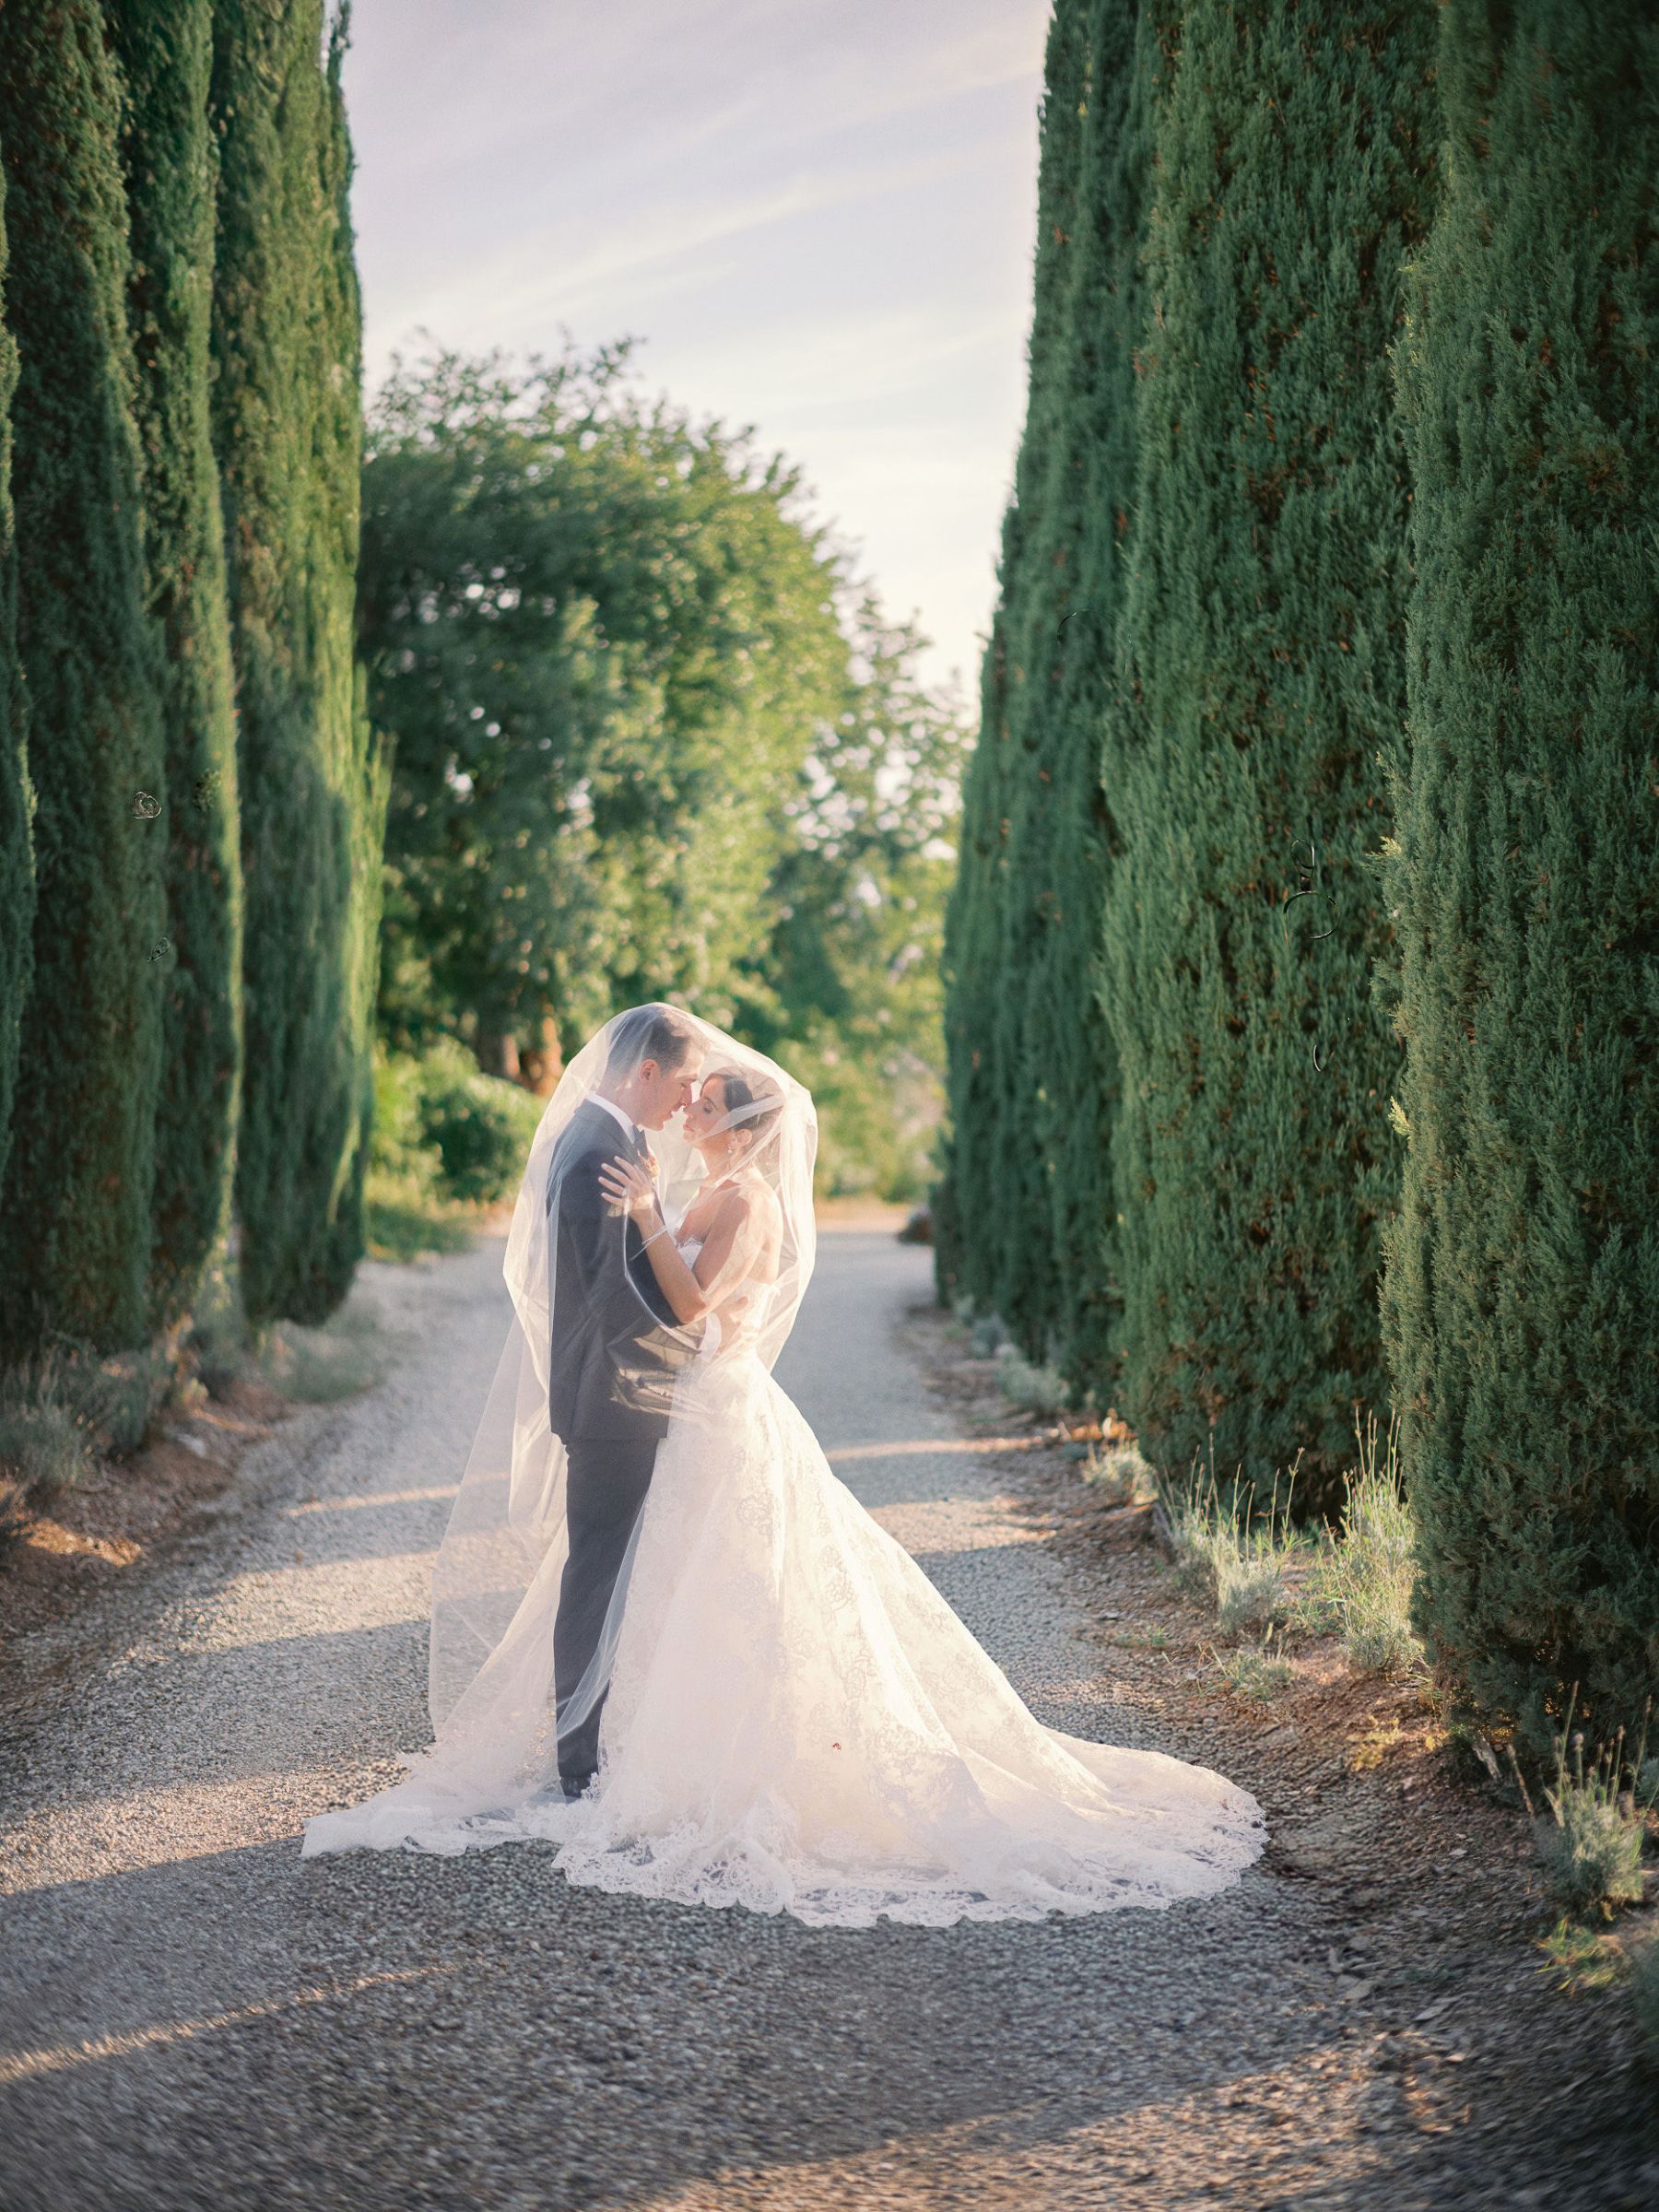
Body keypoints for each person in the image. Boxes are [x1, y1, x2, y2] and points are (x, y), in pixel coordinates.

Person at [302, 1006, 1266, 1927]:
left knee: (714, 1584)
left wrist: (648, 1216)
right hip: (658, 1402)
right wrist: (652, 1217)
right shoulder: (657, 1170)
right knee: (660, 1578)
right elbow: (623, 1292)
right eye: (686, 1091)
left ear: (741, 1125)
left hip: (709, 1404)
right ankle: (620, 1750)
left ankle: (675, 1758)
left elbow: (687, 1308)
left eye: (705, 1100)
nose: (689, 1107)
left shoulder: (741, 1199)